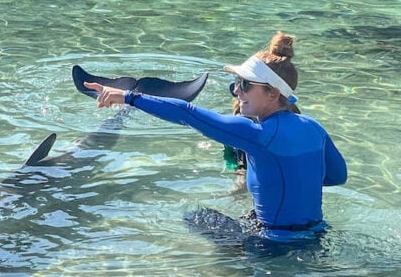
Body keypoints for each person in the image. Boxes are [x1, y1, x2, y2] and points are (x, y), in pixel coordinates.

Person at [84, 31, 348, 246]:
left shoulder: (258, 134)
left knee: (195, 217)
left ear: (272, 93)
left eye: (245, 85)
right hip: (316, 237)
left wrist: (129, 97)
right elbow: (337, 177)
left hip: (272, 247)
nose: (236, 92)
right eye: (235, 83)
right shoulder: (314, 127)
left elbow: (187, 113)